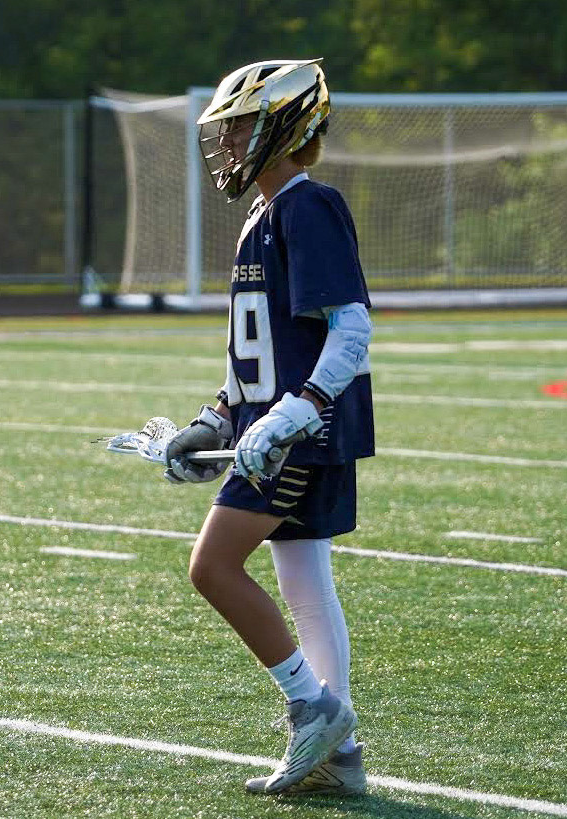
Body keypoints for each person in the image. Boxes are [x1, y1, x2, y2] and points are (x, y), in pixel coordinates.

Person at [163, 58, 375, 796]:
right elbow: (256, 349)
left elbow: (351, 329)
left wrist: (296, 409)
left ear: (282, 125)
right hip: (274, 426)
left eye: (241, 124)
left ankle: (312, 706)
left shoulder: (306, 207)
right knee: (304, 580)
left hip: (296, 433)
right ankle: (339, 755)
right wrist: (214, 418)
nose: (226, 140)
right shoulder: (263, 213)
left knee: (212, 568)